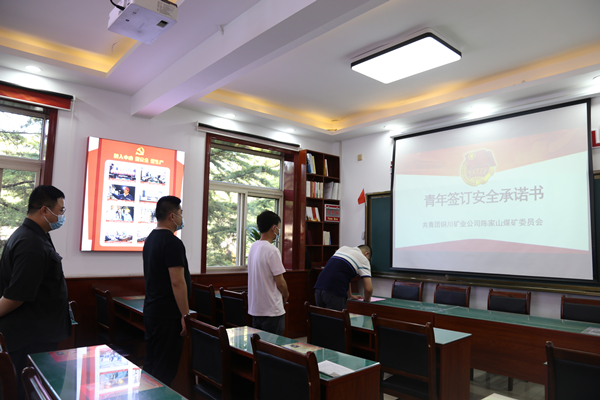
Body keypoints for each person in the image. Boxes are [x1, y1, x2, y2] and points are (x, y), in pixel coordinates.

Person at [0, 185, 70, 400]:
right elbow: (16, 296)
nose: (62, 215)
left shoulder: (36, 236)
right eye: (60, 210)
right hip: (29, 337)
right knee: (29, 392)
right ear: (44, 210)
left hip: (35, 333)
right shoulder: (30, 243)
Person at [142, 196, 191, 386]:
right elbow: (177, 282)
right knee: (164, 371)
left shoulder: (150, 239)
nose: (181, 218)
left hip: (152, 311)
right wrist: (185, 314)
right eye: (180, 213)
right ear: (172, 216)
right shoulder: (172, 242)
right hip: (168, 316)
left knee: (151, 365)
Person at [247, 210, 289, 335]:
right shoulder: (272, 250)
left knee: (258, 345)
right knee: (273, 346)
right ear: (274, 228)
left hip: (256, 309)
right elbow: (280, 282)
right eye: (278, 228)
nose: (278, 232)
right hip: (272, 310)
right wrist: (286, 294)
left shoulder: (253, 247)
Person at [313, 245, 373, 311]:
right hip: (335, 291)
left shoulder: (343, 249)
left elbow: (345, 276)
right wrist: (367, 300)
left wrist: (350, 295)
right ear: (367, 254)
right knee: (336, 317)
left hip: (318, 288)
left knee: (322, 317)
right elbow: (368, 289)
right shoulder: (363, 259)